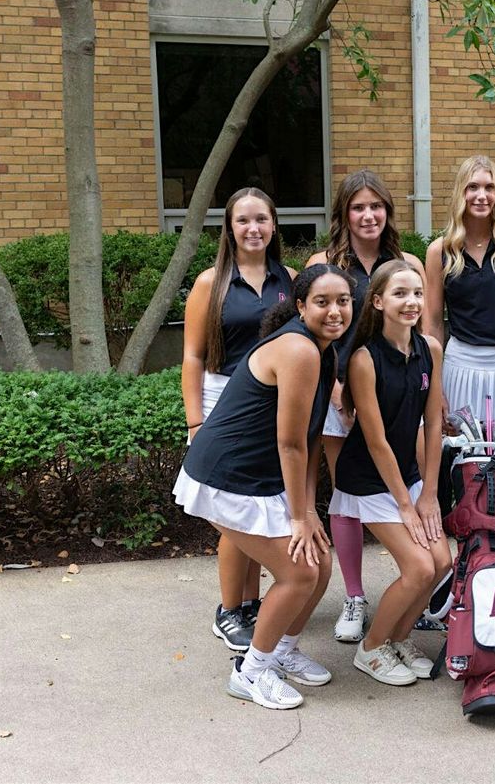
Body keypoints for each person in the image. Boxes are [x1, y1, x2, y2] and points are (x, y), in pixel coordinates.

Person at [173, 265, 351, 710]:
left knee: (319, 563)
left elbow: (309, 439)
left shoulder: (323, 351)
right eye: (323, 302)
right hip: (226, 477)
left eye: (343, 301)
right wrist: (298, 516)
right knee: (299, 573)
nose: (334, 311)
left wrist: (306, 511)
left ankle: (281, 652)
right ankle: (250, 672)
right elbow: (289, 443)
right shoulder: (299, 350)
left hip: (259, 476)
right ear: (300, 306)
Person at [305, 171, 427, 644]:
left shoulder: (406, 262)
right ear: (344, 213)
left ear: (388, 212)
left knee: (404, 480)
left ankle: (413, 584)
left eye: (376, 206)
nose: (368, 215)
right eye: (358, 207)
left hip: (393, 394)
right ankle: (355, 596)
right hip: (339, 393)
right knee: (348, 495)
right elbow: (314, 332)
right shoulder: (324, 263)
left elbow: (422, 329)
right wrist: (338, 388)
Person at [180, 187, 298, 652]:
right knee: (235, 510)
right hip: (223, 403)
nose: (253, 228)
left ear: (274, 225)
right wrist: (195, 422)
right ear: (229, 228)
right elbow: (192, 356)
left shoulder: (290, 280)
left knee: (259, 506)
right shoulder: (211, 283)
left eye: (261, 219)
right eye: (243, 220)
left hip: (271, 403)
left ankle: (251, 604)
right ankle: (230, 610)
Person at [327, 260, 451, 686]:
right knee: (419, 568)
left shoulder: (430, 349)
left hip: (408, 474)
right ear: (378, 302)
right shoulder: (364, 358)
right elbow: (376, 440)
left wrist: (429, 494)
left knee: (441, 562)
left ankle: (399, 638)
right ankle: (371, 648)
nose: (411, 301)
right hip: (368, 479)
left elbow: (433, 424)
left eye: (417, 293)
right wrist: (405, 504)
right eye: (400, 294)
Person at [425, 155, 495, 425]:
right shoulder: (440, 250)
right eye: (473, 187)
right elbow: (433, 324)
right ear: (461, 193)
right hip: (459, 365)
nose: (481, 196)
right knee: (461, 447)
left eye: (489, 188)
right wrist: (435, 386)